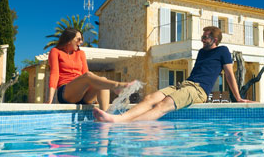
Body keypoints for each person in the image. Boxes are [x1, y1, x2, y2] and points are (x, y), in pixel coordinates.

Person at [93, 26, 253, 122]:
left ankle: (123, 124)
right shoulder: (202, 53)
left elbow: (229, 75)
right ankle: (118, 119)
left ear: (215, 39)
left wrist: (238, 97)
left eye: (205, 37)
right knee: (150, 98)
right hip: (184, 85)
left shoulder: (222, 51)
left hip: (199, 90)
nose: (202, 39)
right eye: (202, 37)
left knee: (164, 105)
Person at [46, 28, 134, 111]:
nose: (81, 42)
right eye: (78, 39)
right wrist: (50, 99)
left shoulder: (80, 53)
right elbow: (54, 74)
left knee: (102, 80)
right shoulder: (55, 51)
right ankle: (116, 85)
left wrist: (95, 95)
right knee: (89, 76)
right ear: (69, 39)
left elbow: (85, 73)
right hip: (66, 93)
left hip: (83, 96)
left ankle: (105, 117)